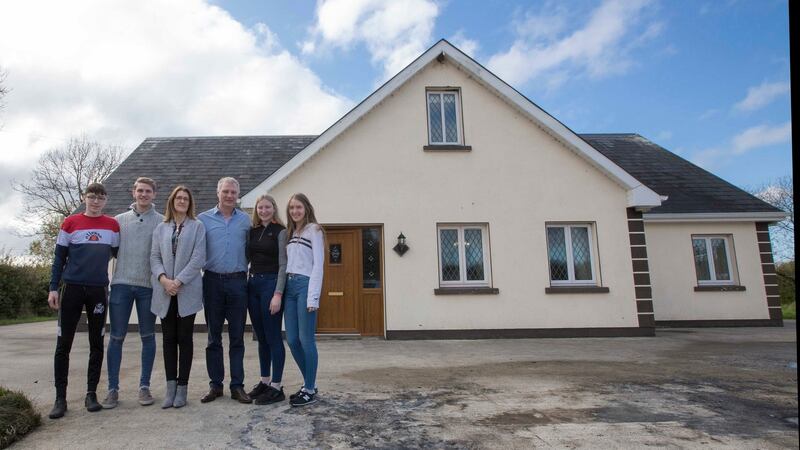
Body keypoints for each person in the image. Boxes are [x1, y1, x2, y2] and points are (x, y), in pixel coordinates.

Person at [47, 182, 120, 419]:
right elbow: (59, 258)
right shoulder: (70, 223)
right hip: (72, 289)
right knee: (63, 344)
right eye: (91, 197)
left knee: (96, 344)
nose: (96, 201)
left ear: (106, 200)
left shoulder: (112, 226)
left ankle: (91, 394)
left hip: (98, 290)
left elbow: (118, 254)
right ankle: (60, 398)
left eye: (100, 197)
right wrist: (53, 288)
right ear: (84, 198)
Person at [102, 177, 163, 409]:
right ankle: (112, 390)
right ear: (133, 192)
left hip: (148, 287)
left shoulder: (161, 222)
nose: (143, 194)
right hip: (121, 286)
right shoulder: (118, 221)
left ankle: (144, 387)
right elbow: (109, 252)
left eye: (148, 191)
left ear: (154, 194)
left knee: (148, 336)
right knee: (116, 337)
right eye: (140, 190)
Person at [198, 177, 252, 404]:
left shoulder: (246, 221)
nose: (230, 196)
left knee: (238, 337)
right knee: (213, 337)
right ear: (218, 193)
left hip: (239, 282)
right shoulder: (203, 219)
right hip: (212, 282)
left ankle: (237, 386)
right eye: (226, 191)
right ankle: (216, 385)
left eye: (233, 192)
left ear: (238, 195)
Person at [150, 186, 206, 408]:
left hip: (187, 291)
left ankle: (182, 389)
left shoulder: (197, 227)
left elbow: (199, 258)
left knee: (185, 339)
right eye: (178, 198)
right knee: (168, 340)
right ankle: (170, 389)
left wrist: (178, 281)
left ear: (190, 203)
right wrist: (164, 279)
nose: (182, 201)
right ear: (171, 201)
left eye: (185, 198)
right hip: (164, 292)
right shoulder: (161, 228)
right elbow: (154, 257)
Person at [245, 194, 288, 405]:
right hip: (253, 285)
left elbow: (283, 265)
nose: (263, 210)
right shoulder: (251, 231)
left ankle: (277, 387)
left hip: (271, 285)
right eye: (260, 207)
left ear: (274, 208)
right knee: (260, 337)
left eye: (267, 207)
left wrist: (278, 294)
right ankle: (265, 380)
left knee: (273, 337)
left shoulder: (281, 232)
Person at [284, 193, 324, 407]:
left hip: (305, 285)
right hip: (289, 287)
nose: (295, 211)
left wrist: (313, 297)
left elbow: (318, 264)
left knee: (306, 339)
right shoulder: (292, 232)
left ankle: (309, 389)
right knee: (291, 339)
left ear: (306, 208)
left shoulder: (314, 230)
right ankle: (310, 382)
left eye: (298, 207)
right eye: (291, 208)